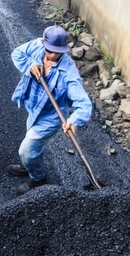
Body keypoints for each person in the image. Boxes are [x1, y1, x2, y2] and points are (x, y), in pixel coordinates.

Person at [8, 26, 92, 195]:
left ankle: (38, 177)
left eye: (57, 52)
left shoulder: (68, 72)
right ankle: (27, 165)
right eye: (50, 50)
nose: (53, 55)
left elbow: (84, 103)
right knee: (30, 142)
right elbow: (17, 53)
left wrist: (74, 120)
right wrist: (31, 64)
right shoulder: (37, 45)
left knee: (27, 150)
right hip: (33, 107)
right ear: (44, 43)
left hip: (51, 117)